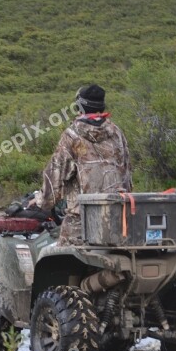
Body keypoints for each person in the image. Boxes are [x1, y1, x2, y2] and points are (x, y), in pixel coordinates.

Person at [33, 85, 132, 245]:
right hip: (117, 222)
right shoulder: (117, 133)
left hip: (81, 226)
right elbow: (127, 177)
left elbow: (53, 183)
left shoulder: (72, 136)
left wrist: (39, 200)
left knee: (55, 259)